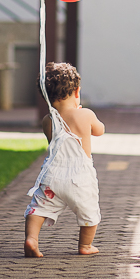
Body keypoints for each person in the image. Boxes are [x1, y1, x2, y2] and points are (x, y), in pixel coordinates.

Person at [24, 62, 105, 258]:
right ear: (77, 91)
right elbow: (99, 130)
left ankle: (32, 239)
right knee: (89, 212)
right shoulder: (85, 115)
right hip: (80, 178)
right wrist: (83, 112)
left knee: (39, 207)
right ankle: (85, 245)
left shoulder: (47, 121)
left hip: (52, 176)